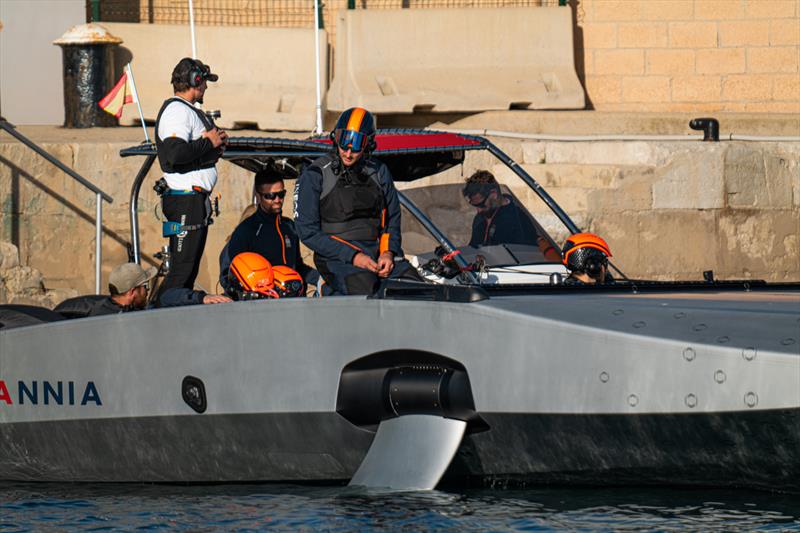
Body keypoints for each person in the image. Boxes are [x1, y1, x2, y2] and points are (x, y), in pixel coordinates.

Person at [294, 107, 419, 295]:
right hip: (336, 256)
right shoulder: (315, 174)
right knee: (366, 291)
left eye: (357, 145)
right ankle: (326, 290)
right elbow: (307, 231)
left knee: (416, 289)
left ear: (368, 144)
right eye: (343, 142)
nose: (348, 152)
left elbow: (392, 218)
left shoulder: (379, 171)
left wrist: (388, 252)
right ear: (335, 137)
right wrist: (353, 257)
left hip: (377, 251)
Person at [154, 57, 229, 301]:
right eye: (204, 82)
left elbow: (193, 151)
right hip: (185, 201)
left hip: (194, 202)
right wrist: (209, 141)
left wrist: (215, 144)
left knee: (187, 271)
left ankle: (176, 316)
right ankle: (158, 315)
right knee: (180, 272)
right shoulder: (176, 110)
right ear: (195, 81)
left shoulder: (187, 111)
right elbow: (176, 154)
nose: (206, 87)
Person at [220, 167, 319, 295]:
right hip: (262, 303)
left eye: (281, 194)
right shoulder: (247, 229)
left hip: (293, 299)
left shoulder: (289, 226)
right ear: (258, 196)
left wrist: (320, 279)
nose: (277, 200)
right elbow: (227, 272)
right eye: (270, 196)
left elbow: (297, 266)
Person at [55, 263, 230, 318]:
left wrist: (201, 298)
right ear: (132, 292)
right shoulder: (121, 319)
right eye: (144, 287)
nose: (147, 292)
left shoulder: (99, 308)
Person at [463, 170, 561, 262]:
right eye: (475, 206)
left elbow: (513, 258)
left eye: (481, 205)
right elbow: (473, 248)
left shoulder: (516, 218)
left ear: (493, 194)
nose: (478, 210)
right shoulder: (480, 218)